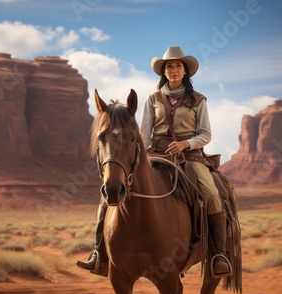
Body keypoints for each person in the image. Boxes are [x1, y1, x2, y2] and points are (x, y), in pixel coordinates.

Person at [76, 46, 231, 278]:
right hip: (157, 154)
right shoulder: (153, 99)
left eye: (178, 66)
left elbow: (205, 134)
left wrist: (185, 144)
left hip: (190, 157)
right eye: (169, 66)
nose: (174, 70)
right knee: (109, 192)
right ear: (164, 72)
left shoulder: (198, 100)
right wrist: (144, 155)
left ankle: (218, 253)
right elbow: (145, 133)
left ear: (185, 71)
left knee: (210, 192)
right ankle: (99, 252)